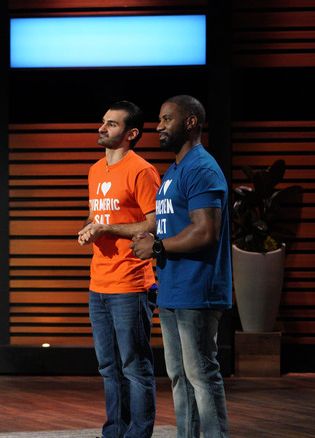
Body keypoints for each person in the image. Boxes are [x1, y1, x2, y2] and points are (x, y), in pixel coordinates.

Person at [130, 95, 231, 437]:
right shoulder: (174, 171)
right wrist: (151, 238)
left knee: (201, 374)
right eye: (159, 119)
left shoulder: (201, 168)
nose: (158, 126)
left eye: (166, 119)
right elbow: (174, 226)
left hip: (197, 289)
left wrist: (157, 246)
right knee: (180, 377)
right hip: (173, 289)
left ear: (190, 122)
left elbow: (205, 232)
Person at [78, 100, 160, 438]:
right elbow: (97, 215)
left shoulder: (141, 170)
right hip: (99, 284)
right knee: (109, 367)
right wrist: (89, 228)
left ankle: (137, 434)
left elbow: (154, 223)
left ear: (131, 134)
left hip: (131, 283)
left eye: (112, 124)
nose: (102, 128)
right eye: (103, 122)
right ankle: (114, 432)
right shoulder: (96, 169)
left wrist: (108, 229)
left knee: (134, 367)